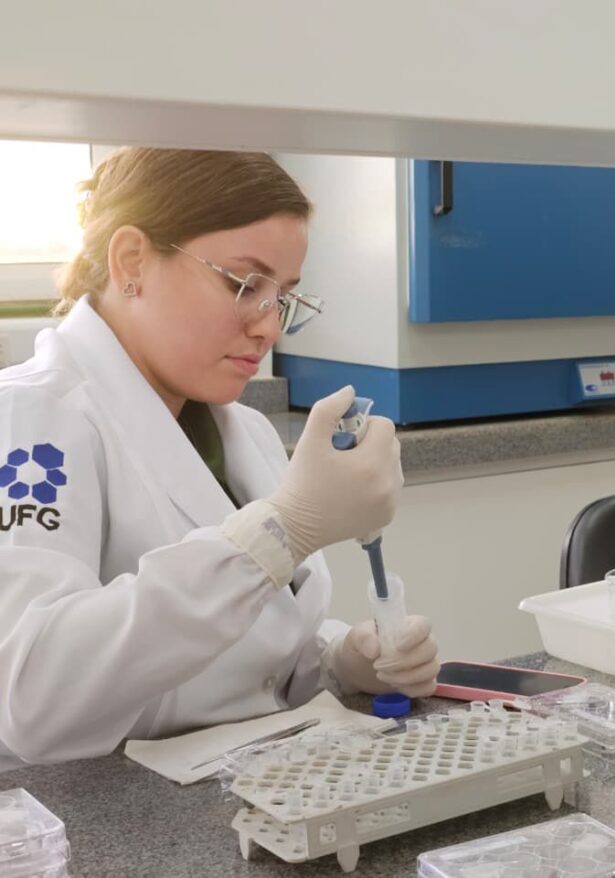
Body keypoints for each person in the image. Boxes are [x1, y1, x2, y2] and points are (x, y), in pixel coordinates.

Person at [0, 148, 439, 771]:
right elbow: (30, 697)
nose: (269, 328)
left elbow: (246, 651)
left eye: (282, 297)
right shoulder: (31, 419)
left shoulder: (241, 429)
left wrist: (341, 661)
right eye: (244, 284)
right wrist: (279, 533)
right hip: (95, 812)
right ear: (132, 262)